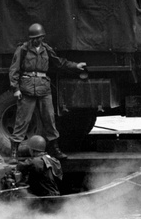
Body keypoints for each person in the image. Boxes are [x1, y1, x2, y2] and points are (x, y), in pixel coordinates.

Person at [9, 23, 87, 161]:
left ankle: (55, 149)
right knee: (22, 120)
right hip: (27, 88)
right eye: (36, 38)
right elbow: (14, 70)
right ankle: (14, 152)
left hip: (44, 89)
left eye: (40, 37)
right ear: (31, 38)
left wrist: (76, 66)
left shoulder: (46, 49)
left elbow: (60, 63)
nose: (38, 40)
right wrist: (15, 89)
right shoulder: (23, 49)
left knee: (50, 119)